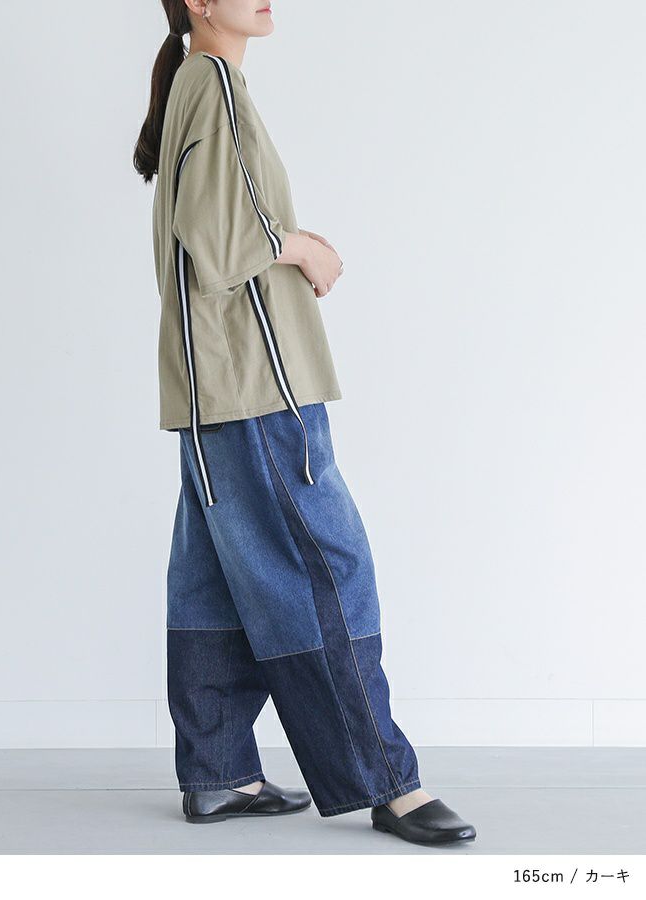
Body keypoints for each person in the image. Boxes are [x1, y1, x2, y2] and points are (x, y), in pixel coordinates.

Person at [134, 0, 476, 846]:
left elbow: (207, 231)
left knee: (217, 579)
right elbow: (222, 243)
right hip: (257, 383)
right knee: (326, 565)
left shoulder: (196, 82)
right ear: (198, 2)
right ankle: (387, 783)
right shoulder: (213, 83)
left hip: (214, 388)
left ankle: (221, 770)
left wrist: (283, 239)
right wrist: (303, 247)